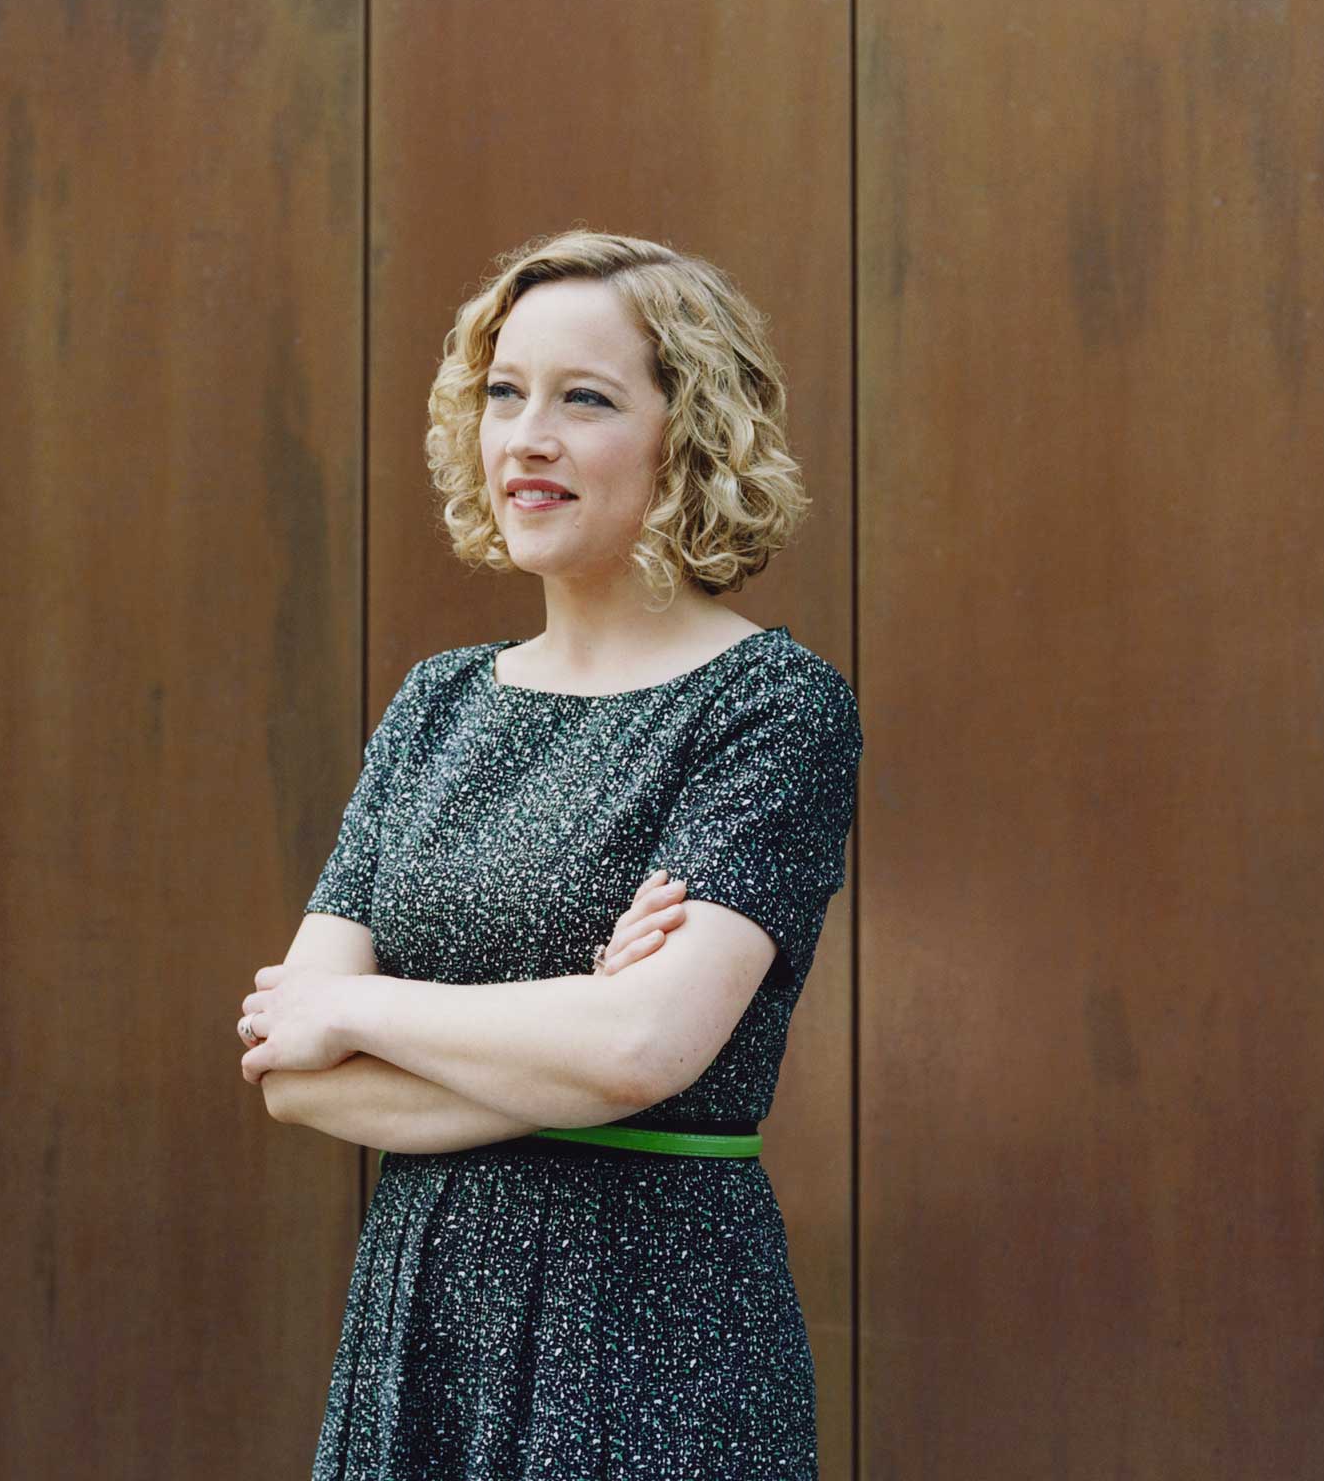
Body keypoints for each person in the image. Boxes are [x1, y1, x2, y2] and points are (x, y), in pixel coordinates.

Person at [237, 228, 863, 1479]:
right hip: (423, 1313)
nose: (527, 436)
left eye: (585, 398)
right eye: (505, 392)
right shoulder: (437, 702)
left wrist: (361, 1007)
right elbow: (295, 1077)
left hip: (655, 1324)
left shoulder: (772, 706)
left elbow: (641, 1046)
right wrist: (578, 1026)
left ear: (692, 435)